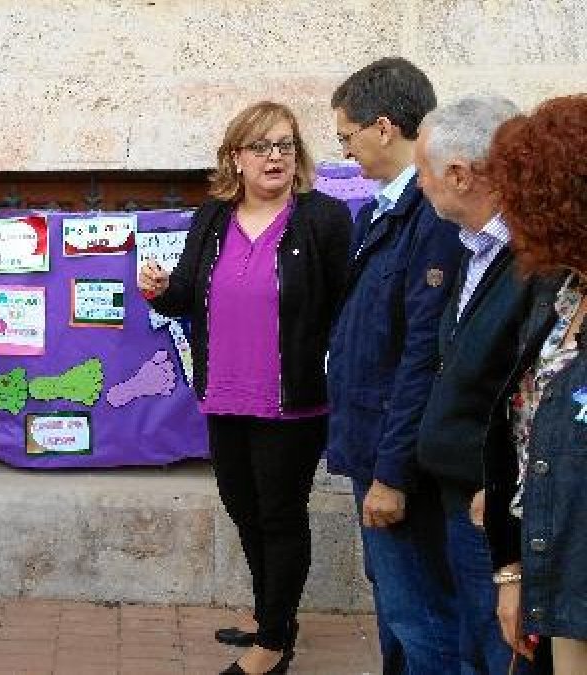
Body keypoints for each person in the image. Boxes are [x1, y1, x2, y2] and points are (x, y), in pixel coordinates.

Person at [139, 100, 352, 675]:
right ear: (236, 157)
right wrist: (160, 290)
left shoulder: (324, 219)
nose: (274, 156)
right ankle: (270, 615)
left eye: (285, 144)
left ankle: (274, 645)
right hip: (224, 393)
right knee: (244, 509)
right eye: (260, 146)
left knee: (280, 515)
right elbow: (187, 294)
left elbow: (347, 309)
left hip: (291, 401)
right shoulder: (213, 216)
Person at [325, 57, 464, 674]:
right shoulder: (378, 212)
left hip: (396, 455)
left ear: (383, 127)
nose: (345, 151)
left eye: (347, 136)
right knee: (395, 607)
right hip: (372, 442)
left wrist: (392, 473)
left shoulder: (432, 216)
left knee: (420, 614)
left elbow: (422, 356)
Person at [412, 94, 535, 675]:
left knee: (499, 652)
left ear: (459, 174)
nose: (419, 185)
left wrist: (499, 481)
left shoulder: (533, 260)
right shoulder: (474, 248)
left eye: (424, 171)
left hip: (493, 500)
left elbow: (527, 387)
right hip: (459, 489)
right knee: (472, 648)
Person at [484, 94, 587, 675]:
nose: (508, 211)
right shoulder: (560, 291)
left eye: (521, 196)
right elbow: (528, 440)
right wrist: (514, 571)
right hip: (549, 572)